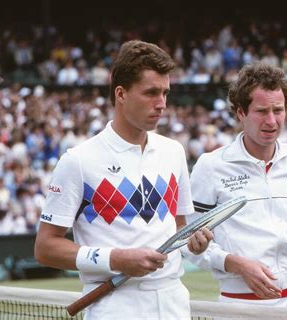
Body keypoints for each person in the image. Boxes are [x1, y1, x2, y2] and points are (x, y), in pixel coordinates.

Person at [34, 40, 212, 320]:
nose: (162, 104)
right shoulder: (78, 160)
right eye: (151, 93)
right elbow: (45, 248)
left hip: (174, 302)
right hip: (114, 306)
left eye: (165, 93)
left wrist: (195, 241)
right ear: (121, 93)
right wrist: (115, 259)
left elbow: (181, 229)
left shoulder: (174, 152)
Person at [185, 62, 287, 309]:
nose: (272, 121)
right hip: (240, 307)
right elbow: (189, 243)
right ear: (241, 112)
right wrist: (236, 264)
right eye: (262, 111)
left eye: (278, 110)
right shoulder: (210, 166)